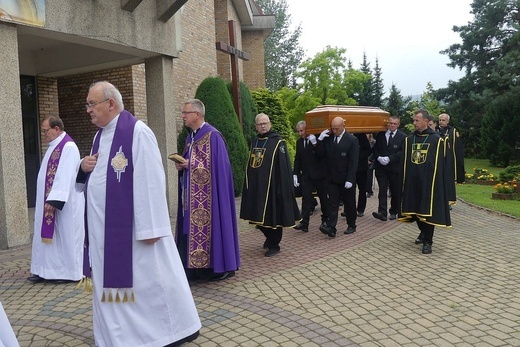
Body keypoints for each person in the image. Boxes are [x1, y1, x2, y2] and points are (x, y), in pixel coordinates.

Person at [77, 81, 201, 347]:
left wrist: (151, 228)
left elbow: (151, 180)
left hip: (133, 233)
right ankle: (113, 337)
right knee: (110, 291)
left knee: (145, 287)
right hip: (102, 235)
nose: (87, 110)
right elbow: (97, 180)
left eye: (91, 104)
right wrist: (83, 168)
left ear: (110, 103)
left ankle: (164, 333)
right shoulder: (99, 136)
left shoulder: (136, 132)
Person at [174, 99, 240, 282]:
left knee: (209, 228)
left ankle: (215, 268)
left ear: (197, 114)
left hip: (210, 200)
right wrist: (182, 167)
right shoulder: (190, 138)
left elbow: (220, 168)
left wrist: (192, 165)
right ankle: (193, 268)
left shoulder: (213, 136)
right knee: (188, 228)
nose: (183, 116)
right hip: (190, 198)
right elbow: (190, 163)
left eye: (186, 113)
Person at [28, 116, 85, 284]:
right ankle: (44, 270)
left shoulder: (68, 147)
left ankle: (66, 273)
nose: (44, 134)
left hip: (63, 204)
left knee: (63, 237)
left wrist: (54, 201)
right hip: (48, 200)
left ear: (57, 129)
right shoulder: (54, 146)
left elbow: (65, 175)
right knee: (45, 237)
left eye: (46, 130)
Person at [240, 113, 300, 257]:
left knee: (273, 217)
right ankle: (269, 237)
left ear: (270, 123)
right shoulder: (255, 142)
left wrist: (283, 187)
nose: (263, 126)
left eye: (265, 123)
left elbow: (284, 167)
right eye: (260, 124)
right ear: (256, 126)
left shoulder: (278, 142)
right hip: (257, 187)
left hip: (273, 187)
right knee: (257, 217)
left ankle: (275, 244)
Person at [399, 109, 451, 254]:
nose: (414, 123)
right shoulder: (410, 139)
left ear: (426, 122)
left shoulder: (436, 140)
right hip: (412, 181)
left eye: (417, 120)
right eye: (414, 120)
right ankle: (422, 233)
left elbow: (442, 164)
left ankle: (428, 241)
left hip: (429, 182)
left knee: (427, 212)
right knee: (414, 211)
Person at [316, 117, 359, 237]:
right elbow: (320, 155)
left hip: (346, 178)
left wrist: (350, 179)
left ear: (343, 127)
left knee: (349, 203)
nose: (334, 131)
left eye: (336, 129)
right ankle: (331, 227)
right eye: (333, 128)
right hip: (332, 178)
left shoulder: (352, 140)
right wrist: (319, 140)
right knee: (333, 203)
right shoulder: (329, 139)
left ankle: (352, 225)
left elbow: (353, 161)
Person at [292, 121, 329, 232]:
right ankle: (304, 222)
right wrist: (295, 173)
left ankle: (326, 219)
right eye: (298, 131)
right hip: (306, 175)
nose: (300, 133)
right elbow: (298, 159)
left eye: (302, 131)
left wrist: (316, 143)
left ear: (307, 129)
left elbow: (321, 155)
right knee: (306, 199)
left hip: (319, 175)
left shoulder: (317, 139)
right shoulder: (299, 142)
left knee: (323, 198)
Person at [372, 115, 406, 221]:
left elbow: (402, 152)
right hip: (381, 168)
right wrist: (378, 158)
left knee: (395, 190)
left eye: (394, 124)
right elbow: (376, 148)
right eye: (391, 123)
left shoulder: (403, 136)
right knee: (382, 190)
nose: (392, 125)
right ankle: (382, 212)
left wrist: (389, 159)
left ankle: (394, 211)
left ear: (398, 125)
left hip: (394, 168)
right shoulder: (381, 135)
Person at [438, 113, 465, 184]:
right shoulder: (435, 130)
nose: (441, 121)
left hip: (450, 154)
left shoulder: (453, 131)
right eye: (440, 120)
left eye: (443, 120)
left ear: (447, 121)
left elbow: (457, 145)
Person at [354, 133, 372, 217]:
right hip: (350, 168)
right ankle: (349, 209)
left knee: (362, 189)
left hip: (361, 167)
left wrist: (357, 156)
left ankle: (360, 209)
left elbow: (368, 150)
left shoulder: (360, 135)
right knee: (349, 190)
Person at [366, 133, 376, 198]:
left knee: (369, 175)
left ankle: (369, 191)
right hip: (363, 160)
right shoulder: (361, 141)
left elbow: (374, 151)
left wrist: (369, 159)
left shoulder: (373, 142)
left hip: (371, 161)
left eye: (367, 134)